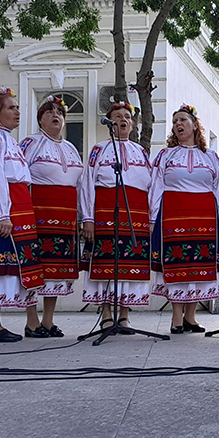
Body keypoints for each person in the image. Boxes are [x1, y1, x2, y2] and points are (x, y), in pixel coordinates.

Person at [0, 88, 44, 342]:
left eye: (17, 107)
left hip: (20, 208)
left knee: (19, 267)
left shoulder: (9, 140)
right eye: (11, 107)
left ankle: (29, 322)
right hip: (4, 210)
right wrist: (2, 213)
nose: (17, 111)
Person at [149, 104, 219, 334]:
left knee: (198, 263)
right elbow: (156, 185)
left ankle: (191, 317)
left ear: (194, 125)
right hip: (174, 213)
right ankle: (176, 317)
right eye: (174, 122)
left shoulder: (210, 156)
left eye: (182, 120)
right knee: (177, 262)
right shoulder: (166, 154)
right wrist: (153, 217)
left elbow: (218, 188)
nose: (178, 125)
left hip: (203, 215)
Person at [79, 101, 152, 332]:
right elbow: (87, 183)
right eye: (118, 116)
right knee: (105, 263)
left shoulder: (140, 151)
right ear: (110, 123)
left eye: (127, 117)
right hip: (106, 211)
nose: (123, 119)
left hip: (136, 214)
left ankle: (124, 314)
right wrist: (87, 218)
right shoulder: (99, 149)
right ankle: (106, 313)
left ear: (132, 124)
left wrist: (151, 218)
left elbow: (151, 186)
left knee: (130, 264)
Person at [19, 96, 84, 338]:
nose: (56, 115)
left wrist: (81, 215)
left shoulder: (70, 148)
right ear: (40, 119)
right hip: (39, 212)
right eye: (50, 112)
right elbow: (19, 178)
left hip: (65, 215)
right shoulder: (31, 143)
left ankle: (48, 320)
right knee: (36, 267)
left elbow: (78, 184)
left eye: (60, 112)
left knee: (56, 270)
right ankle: (31, 319)